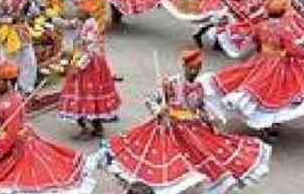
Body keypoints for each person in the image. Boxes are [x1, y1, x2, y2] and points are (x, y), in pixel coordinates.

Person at [95, 49, 271, 193]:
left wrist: (211, 120)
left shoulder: (199, 87)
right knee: (161, 161)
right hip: (168, 126)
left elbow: (200, 108)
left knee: (201, 160)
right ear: (184, 66)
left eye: (197, 68)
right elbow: (151, 101)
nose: (194, 71)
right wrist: (159, 110)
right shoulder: (171, 83)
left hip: (192, 129)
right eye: (191, 68)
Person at [0, 62, 96, 194]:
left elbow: (10, 135)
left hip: (17, 145)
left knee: (2, 176)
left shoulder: (13, 102)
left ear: (8, 83)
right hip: (2, 140)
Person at [201, 0, 304, 138]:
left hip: (261, 60)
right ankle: (271, 127)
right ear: (283, 11)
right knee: (279, 96)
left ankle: (267, 126)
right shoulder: (284, 29)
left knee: (261, 92)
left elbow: (255, 42)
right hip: (280, 64)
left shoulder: (260, 26)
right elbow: (292, 49)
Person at [57, 17, 120, 137]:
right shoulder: (90, 25)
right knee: (91, 97)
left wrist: (78, 65)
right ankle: (94, 126)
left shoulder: (90, 27)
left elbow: (90, 50)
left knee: (85, 96)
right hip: (93, 65)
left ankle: (89, 125)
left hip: (88, 67)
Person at [0, 0, 40, 95]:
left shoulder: (26, 0)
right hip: (8, 34)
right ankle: (8, 87)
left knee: (28, 61)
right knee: (8, 61)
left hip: (22, 34)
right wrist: (10, 20)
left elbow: (36, 13)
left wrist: (31, 3)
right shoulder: (2, 1)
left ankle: (26, 88)